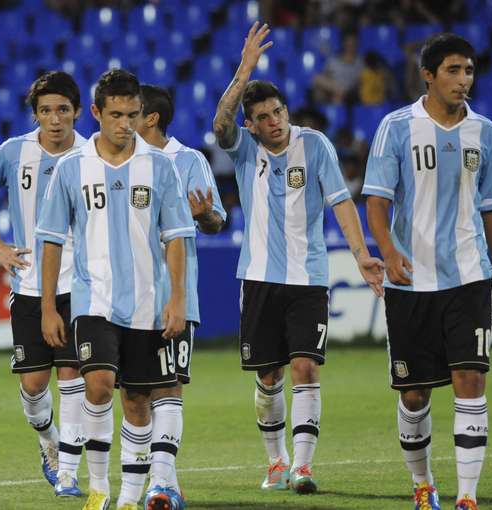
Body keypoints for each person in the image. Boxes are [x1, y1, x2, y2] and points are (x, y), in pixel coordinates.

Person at [213, 22, 384, 495]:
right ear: (252, 125)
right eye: (263, 116)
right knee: (269, 376)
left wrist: (361, 254)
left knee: (306, 366)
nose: (274, 121)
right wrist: (245, 70)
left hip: (309, 278)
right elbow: (219, 125)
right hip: (259, 277)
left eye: (278, 111)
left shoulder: (316, 145)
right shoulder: (244, 148)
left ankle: (304, 468)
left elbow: (341, 203)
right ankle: (276, 462)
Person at [37, 69, 195, 510]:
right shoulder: (72, 167)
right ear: (96, 113)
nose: (125, 124)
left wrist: (177, 298)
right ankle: (99, 488)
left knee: (139, 401)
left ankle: (128, 497)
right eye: (116, 115)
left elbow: (177, 237)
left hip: (148, 303)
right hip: (93, 299)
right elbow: (50, 240)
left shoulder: (160, 167)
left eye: (132, 114)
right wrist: (49, 307)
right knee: (100, 385)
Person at [364, 33, 492, 510]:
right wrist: (388, 249)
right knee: (414, 393)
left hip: (468, 275)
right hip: (411, 281)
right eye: (453, 71)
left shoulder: (484, 132)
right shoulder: (396, 127)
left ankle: (467, 497)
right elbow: (377, 200)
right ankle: (423, 484)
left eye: (469, 71)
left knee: (471, 379)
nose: (464, 80)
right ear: (428, 74)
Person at [0, 71, 88, 497]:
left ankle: (70, 471)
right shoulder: (13, 152)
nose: (54, 120)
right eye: (45, 111)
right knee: (34, 385)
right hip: (31, 284)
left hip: (83, 283)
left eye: (62, 110)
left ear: (76, 111)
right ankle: (49, 442)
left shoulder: (92, 154)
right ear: (35, 114)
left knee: (73, 371)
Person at [130, 84, 226, 510]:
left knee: (166, 387)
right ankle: (157, 478)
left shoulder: (188, 161)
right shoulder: (120, 161)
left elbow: (216, 220)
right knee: (134, 393)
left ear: (150, 117)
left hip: (172, 294)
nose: (122, 118)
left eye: (131, 111)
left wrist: (205, 213)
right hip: (125, 295)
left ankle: (164, 481)